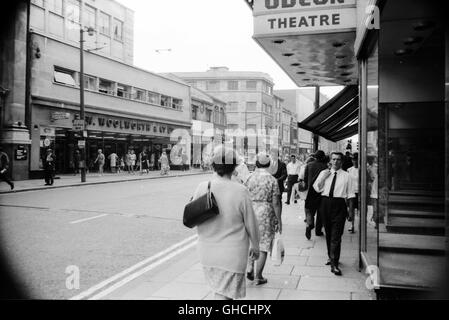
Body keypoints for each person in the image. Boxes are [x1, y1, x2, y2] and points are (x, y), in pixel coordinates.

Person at [191, 145, 260, 300]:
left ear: (213, 165)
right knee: (225, 296)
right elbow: (251, 224)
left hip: (207, 252)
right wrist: (255, 246)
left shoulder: (203, 187)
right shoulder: (240, 191)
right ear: (234, 166)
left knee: (220, 292)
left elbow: (193, 217)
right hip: (232, 254)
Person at [313, 152, 355, 276]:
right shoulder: (324, 173)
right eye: (333, 159)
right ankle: (330, 256)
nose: (336, 162)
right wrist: (323, 178)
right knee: (329, 234)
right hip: (325, 204)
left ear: (341, 162)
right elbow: (317, 188)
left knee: (336, 235)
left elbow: (351, 195)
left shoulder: (347, 176)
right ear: (330, 161)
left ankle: (334, 263)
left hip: (340, 205)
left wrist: (351, 211)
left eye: (338, 159)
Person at [245, 151, 282, 286]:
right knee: (264, 245)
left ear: (256, 163)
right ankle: (258, 276)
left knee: (251, 241)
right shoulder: (272, 180)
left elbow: (244, 195)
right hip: (266, 213)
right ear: (269, 164)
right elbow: (276, 202)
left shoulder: (249, 178)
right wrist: (279, 219)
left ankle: (249, 267)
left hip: (250, 210)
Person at [304, 150, 328, 239]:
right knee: (320, 211)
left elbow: (305, 178)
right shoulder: (325, 166)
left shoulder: (309, 165)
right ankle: (318, 231)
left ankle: (309, 225)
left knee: (310, 210)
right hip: (321, 191)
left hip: (311, 191)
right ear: (322, 157)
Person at [347, 153, 359, 233]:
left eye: (356, 159)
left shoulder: (362, 169)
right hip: (351, 192)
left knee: (360, 210)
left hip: (360, 192)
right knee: (351, 209)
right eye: (353, 159)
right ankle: (352, 225)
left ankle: (360, 225)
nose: (354, 161)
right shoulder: (349, 170)